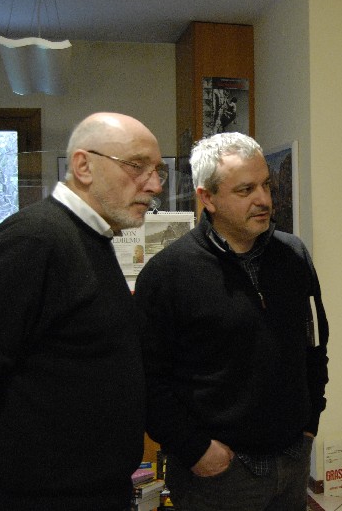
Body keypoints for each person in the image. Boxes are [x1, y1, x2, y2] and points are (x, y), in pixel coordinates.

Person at [0, 112, 166, 510]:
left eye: (157, 171)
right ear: (83, 166)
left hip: (91, 491)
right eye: (136, 166)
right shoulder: (34, 241)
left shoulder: (90, 238)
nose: (155, 184)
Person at [134, 131, 329, 510]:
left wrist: (310, 424)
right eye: (245, 190)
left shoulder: (293, 255)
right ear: (207, 197)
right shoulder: (168, 273)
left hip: (292, 460)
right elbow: (148, 379)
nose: (263, 199)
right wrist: (194, 449)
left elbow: (315, 344)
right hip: (218, 473)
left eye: (265, 185)